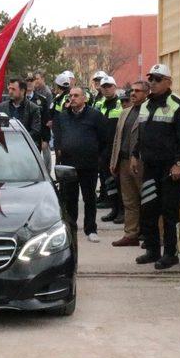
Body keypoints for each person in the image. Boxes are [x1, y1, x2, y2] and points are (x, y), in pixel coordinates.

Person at [132, 64, 180, 269]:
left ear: (168, 82)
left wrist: (179, 163)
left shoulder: (178, 105)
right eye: (151, 78)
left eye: (157, 79)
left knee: (169, 212)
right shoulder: (146, 104)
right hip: (150, 167)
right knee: (149, 209)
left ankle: (171, 253)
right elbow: (141, 134)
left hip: (171, 170)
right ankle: (152, 250)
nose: (152, 83)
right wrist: (135, 154)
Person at [53, 86, 107, 243]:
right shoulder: (63, 116)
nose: (73, 98)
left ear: (84, 98)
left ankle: (91, 229)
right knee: (69, 199)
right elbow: (57, 136)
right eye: (71, 95)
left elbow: (104, 139)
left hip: (89, 164)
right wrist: (59, 150)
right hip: (68, 165)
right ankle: (71, 228)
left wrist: (99, 158)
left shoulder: (95, 116)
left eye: (76, 95)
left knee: (89, 198)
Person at [110, 81, 149, 246]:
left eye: (138, 91)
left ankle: (152, 235)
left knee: (147, 199)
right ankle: (131, 234)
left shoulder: (149, 112)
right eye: (132, 90)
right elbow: (117, 139)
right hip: (124, 161)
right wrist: (114, 161)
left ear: (147, 94)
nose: (133, 94)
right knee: (129, 200)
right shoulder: (125, 113)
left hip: (141, 162)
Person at [95, 76, 124, 224]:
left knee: (119, 180)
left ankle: (122, 210)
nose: (106, 89)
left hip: (117, 147)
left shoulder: (121, 103)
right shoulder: (99, 104)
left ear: (115, 87)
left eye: (109, 86)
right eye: (104, 87)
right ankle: (114, 208)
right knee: (108, 182)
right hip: (103, 148)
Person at [25, 75, 50, 169]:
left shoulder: (41, 100)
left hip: (37, 137)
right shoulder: (20, 99)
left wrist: (46, 139)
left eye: (32, 81)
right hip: (23, 135)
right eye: (27, 81)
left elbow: (46, 120)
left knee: (35, 164)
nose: (29, 83)